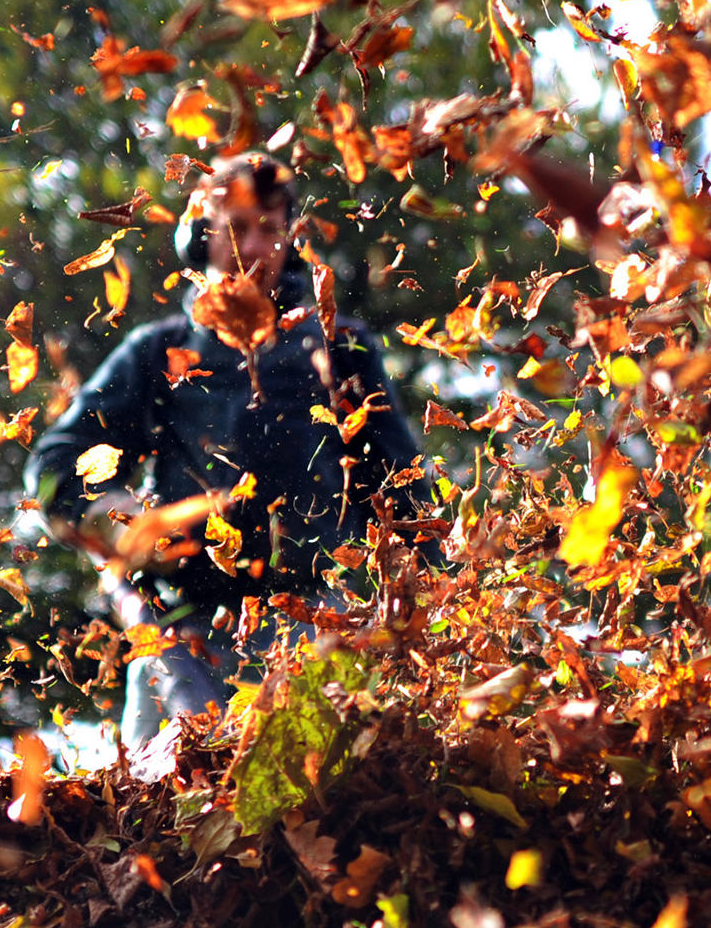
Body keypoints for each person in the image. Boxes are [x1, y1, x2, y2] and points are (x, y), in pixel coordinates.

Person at [26, 153, 426, 746]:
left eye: (268, 226)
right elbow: (56, 461)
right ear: (200, 235)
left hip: (317, 621)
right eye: (235, 227)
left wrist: (424, 602)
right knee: (162, 809)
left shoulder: (339, 344)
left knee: (316, 803)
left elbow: (402, 483)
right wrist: (120, 521)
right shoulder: (159, 350)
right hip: (183, 628)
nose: (253, 244)